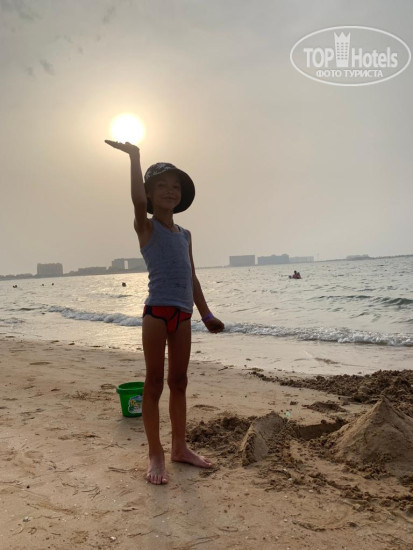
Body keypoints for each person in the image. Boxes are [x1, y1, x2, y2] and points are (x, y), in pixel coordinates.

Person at [105, 140, 225, 485]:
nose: (170, 191)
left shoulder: (185, 235)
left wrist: (206, 314)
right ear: (149, 193)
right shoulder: (146, 227)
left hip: (183, 315)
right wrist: (135, 158)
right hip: (156, 314)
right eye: (162, 186)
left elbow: (192, 276)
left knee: (180, 382)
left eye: (175, 187)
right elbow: (136, 202)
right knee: (155, 381)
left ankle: (180, 448)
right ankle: (155, 453)